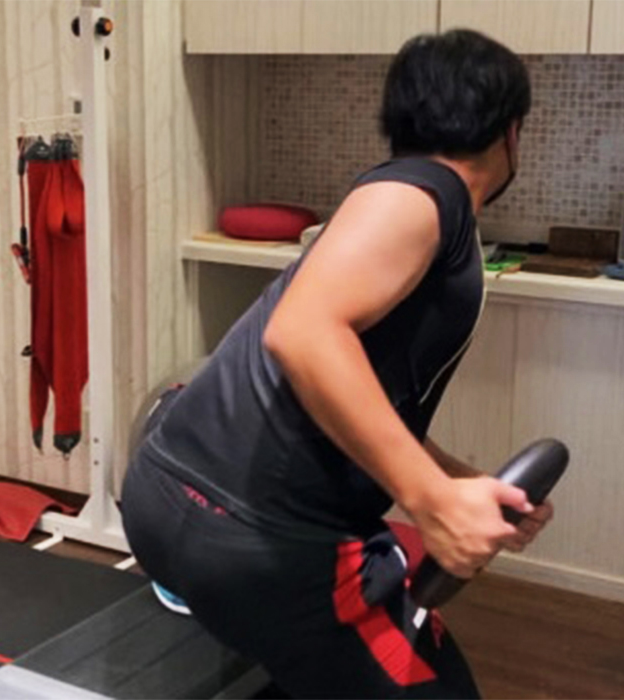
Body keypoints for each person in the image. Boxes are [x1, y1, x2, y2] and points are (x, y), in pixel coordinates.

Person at [122, 29, 555, 699]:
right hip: (257, 531)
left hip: (177, 502)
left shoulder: (410, 196)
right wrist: (432, 501)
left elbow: (352, 394)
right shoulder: (426, 193)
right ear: (511, 133)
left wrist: (461, 480)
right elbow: (301, 333)